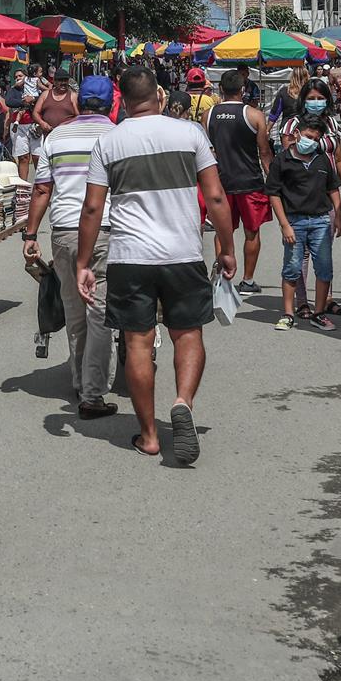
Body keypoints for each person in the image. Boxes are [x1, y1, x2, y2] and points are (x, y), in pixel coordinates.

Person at [74, 67, 235, 465]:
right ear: (160, 97)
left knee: (138, 344)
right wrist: (227, 247)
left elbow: (93, 207)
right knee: (187, 335)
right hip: (183, 253)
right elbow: (215, 198)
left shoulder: (109, 143)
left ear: (123, 103)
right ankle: (182, 402)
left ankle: (148, 436)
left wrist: (83, 262)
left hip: (130, 257)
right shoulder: (189, 134)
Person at [23, 73, 119, 417]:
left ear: (79, 103)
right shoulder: (117, 135)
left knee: (75, 309)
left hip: (64, 230)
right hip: (107, 230)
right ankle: (92, 393)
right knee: (100, 310)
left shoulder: (57, 136)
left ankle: (80, 381)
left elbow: (42, 189)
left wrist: (30, 235)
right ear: (111, 103)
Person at [269, 117, 341, 332]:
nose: (311, 141)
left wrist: (337, 216)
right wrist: (284, 225)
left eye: (316, 138)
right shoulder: (282, 161)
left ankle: (318, 313)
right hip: (294, 221)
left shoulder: (322, 160)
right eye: (308, 136)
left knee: (324, 268)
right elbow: (273, 194)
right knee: (292, 268)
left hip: (321, 221)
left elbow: (332, 188)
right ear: (296, 134)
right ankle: (288, 313)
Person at [205, 70, 275, 296]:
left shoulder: (208, 115)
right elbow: (264, 153)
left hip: (220, 182)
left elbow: (208, 151)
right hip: (250, 181)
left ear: (220, 90)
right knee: (251, 232)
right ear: (243, 90)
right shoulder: (255, 115)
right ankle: (247, 280)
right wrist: (275, 182)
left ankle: (222, 278)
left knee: (221, 231)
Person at [34, 68, 78, 135]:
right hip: (48, 135)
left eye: (65, 80)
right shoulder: (45, 94)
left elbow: (78, 116)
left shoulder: (73, 96)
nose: (63, 83)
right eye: (60, 80)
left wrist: (67, 125)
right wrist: (42, 123)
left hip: (66, 135)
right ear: (54, 81)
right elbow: (35, 113)